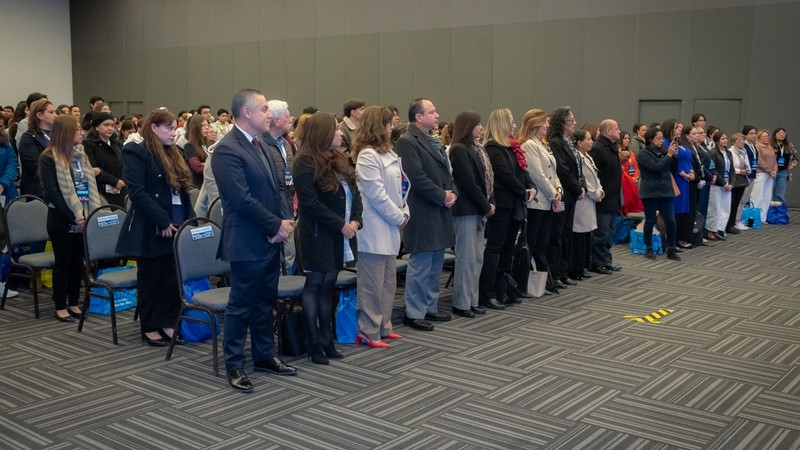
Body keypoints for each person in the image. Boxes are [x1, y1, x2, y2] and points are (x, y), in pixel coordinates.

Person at [212, 89, 297, 392]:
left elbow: (275, 190)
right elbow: (241, 199)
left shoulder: (260, 144)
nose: (268, 115)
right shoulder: (227, 149)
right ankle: (234, 363)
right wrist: (276, 225)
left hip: (268, 236)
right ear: (246, 113)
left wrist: (281, 224)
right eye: (263, 109)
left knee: (265, 301)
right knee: (241, 305)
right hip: (247, 239)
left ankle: (264, 355)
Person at [116, 109, 194, 347]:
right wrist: (162, 220)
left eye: (174, 128)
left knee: (172, 277)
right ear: (153, 128)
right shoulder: (136, 151)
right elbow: (138, 193)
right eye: (168, 128)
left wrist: (187, 220)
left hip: (177, 220)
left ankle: (168, 321)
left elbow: (182, 190)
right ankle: (149, 325)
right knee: (151, 277)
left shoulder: (175, 152)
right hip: (151, 224)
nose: (173, 133)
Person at [294, 112, 361, 364]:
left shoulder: (339, 158)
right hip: (317, 234)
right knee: (315, 286)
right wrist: (341, 225)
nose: (341, 132)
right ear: (323, 133)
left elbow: (355, 194)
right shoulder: (305, 161)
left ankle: (327, 340)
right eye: (336, 129)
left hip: (340, 234)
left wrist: (356, 220)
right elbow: (310, 204)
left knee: (329, 287)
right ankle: (314, 344)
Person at [394, 98, 457, 331]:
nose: (437, 115)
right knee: (421, 264)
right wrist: (443, 195)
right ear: (418, 117)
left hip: (440, 209)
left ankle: (430, 306)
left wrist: (453, 193)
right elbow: (415, 178)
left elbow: (447, 173)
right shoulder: (407, 142)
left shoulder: (434, 140)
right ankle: (414, 312)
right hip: (422, 209)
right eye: (432, 112)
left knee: (435, 263)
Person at [352, 106, 407, 346]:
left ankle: (384, 326)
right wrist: (398, 216)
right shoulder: (367, 156)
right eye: (389, 124)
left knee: (387, 282)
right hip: (375, 228)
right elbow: (376, 195)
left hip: (391, 224)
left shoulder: (388, 153)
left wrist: (405, 211)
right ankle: (368, 330)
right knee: (372, 285)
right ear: (378, 126)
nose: (392, 128)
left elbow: (402, 188)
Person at [40, 115, 102, 322]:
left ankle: (74, 302)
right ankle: (60, 305)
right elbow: (53, 194)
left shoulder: (81, 156)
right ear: (65, 132)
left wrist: (86, 217)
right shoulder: (48, 157)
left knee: (78, 262)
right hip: (61, 217)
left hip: (83, 215)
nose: (81, 132)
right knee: (63, 263)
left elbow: (88, 186)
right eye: (77, 129)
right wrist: (74, 218)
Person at [479, 108, 535, 307]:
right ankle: (487, 292)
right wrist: (524, 191)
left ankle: (502, 288)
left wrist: (531, 187)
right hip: (502, 205)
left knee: (508, 248)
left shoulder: (511, 147)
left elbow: (522, 171)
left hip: (514, 204)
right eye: (511, 121)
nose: (514, 124)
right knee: (495, 248)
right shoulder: (493, 148)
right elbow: (504, 175)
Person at [449, 111, 494, 316]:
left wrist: (488, 203)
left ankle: (472, 299)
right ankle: (461, 303)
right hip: (467, 209)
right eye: (477, 124)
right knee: (466, 259)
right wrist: (486, 205)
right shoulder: (458, 149)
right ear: (468, 126)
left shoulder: (478, 148)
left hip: (479, 208)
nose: (481, 128)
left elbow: (487, 182)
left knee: (477, 258)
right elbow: (468, 183)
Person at [519, 109, 564, 292]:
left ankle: (544, 280)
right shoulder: (529, 145)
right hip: (537, 202)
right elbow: (537, 175)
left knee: (542, 243)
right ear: (536, 123)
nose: (547, 125)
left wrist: (559, 189)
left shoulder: (543, 144)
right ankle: (531, 282)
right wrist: (554, 194)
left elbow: (553, 173)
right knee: (534, 243)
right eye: (545, 122)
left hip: (547, 200)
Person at [547, 107, 585, 284]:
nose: (574, 123)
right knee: (557, 235)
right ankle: (554, 274)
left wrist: (581, 185)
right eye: (571, 120)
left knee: (566, 234)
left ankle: (563, 272)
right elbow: (563, 169)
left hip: (572, 194)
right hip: (564, 195)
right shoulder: (555, 142)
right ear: (561, 122)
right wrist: (578, 188)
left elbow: (577, 166)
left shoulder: (569, 141)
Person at [263, 100, 297, 272]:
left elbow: (289, 179)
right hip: (271, 212)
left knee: (290, 256)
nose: (291, 119)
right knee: (276, 259)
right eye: (287, 116)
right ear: (276, 120)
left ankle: (287, 295)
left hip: (288, 206)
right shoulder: (261, 145)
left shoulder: (286, 145)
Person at [637, 128, 680, 261]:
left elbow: (673, 169)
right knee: (650, 220)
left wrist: (674, 157)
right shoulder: (643, 154)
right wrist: (668, 156)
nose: (661, 141)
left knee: (671, 221)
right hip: (650, 191)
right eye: (658, 138)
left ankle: (671, 249)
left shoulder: (663, 152)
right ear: (650, 139)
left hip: (665, 191)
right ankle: (648, 248)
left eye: (662, 138)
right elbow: (656, 168)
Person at [588, 119, 622, 273]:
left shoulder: (612, 147)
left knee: (609, 232)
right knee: (601, 233)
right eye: (617, 128)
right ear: (608, 131)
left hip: (612, 197)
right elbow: (592, 174)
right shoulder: (598, 148)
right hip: (602, 198)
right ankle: (598, 262)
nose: (620, 131)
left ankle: (606, 260)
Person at [572, 129, 603, 278]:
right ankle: (575, 269)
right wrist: (595, 194)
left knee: (586, 236)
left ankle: (582, 267)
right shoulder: (577, 157)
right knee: (578, 236)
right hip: (583, 200)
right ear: (579, 142)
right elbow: (584, 180)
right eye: (588, 139)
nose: (592, 142)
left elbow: (595, 178)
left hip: (591, 200)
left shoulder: (588, 157)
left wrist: (600, 192)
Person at [83, 112, 126, 208]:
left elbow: (125, 165)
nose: (110, 128)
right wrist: (115, 181)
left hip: (120, 189)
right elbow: (94, 170)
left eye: (112, 125)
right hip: (101, 190)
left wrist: (121, 182)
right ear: (97, 127)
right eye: (106, 125)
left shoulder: (118, 143)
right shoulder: (89, 144)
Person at [19, 99, 56, 198]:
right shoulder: (28, 138)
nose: (55, 115)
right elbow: (36, 166)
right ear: (39, 115)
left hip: (59, 187)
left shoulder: (58, 136)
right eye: (51, 112)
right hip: (38, 191)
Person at [0, 124, 20, 298]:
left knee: (5, 241)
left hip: (6, 195)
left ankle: (2, 281)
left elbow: (12, 164)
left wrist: (3, 183)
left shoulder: (4, 140)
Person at [706, 131, 732, 240]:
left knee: (725, 208)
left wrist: (731, 183)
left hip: (727, 184)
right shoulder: (713, 153)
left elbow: (732, 170)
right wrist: (723, 183)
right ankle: (710, 231)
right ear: (717, 141)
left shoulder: (728, 152)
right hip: (717, 185)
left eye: (726, 138)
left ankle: (719, 230)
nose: (725, 140)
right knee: (714, 208)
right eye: (722, 139)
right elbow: (714, 170)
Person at [725, 133, 751, 235]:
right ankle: (727, 225)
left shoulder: (744, 152)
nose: (742, 142)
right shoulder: (730, 152)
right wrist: (740, 171)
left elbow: (747, 164)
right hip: (734, 179)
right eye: (739, 140)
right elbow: (730, 167)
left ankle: (733, 223)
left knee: (736, 203)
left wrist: (747, 170)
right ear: (733, 142)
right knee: (731, 203)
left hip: (742, 180)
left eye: (743, 140)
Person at [735, 125, 759, 230]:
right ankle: (736, 220)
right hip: (745, 175)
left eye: (755, 133)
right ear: (745, 135)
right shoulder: (744, 146)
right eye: (751, 133)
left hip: (752, 174)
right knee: (741, 199)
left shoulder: (753, 146)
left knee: (745, 199)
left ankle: (739, 219)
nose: (754, 135)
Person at [181, 115, 213, 188]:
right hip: (200, 185)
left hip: (211, 182)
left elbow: (218, 162)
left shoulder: (210, 144)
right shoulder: (189, 146)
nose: (207, 127)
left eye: (208, 125)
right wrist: (211, 166)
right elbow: (197, 167)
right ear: (196, 127)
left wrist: (206, 164)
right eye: (203, 125)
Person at [753, 130, 777, 223]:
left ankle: (763, 218)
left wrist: (774, 170)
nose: (767, 138)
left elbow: (774, 160)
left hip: (770, 175)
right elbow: (759, 160)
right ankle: (755, 217)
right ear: (759, 138)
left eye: (768, 136)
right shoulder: (757, 147)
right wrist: (769, 170)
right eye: (764, 136)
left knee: (766, 196)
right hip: (761, 173)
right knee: (757, 196)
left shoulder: (770, 148)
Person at [771, 128, 798, 204]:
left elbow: (796, 157)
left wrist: (793, 164)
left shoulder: (789, 145)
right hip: (771, 172)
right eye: (779, 133)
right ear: (774, 135)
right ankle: (768, 213)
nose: (782, 134)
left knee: (780, 194)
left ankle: (780, 213)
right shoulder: (770, 145)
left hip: (783, 172)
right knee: (768, 193)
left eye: (783, 133)